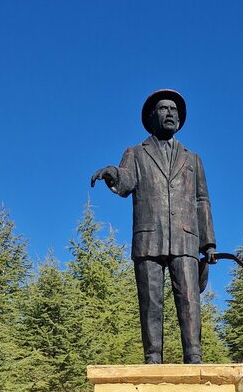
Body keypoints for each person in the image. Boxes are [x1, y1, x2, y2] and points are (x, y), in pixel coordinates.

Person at [91, 88, 216, 364]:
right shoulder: (136, 153)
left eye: (174, 110)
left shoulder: (193, 159)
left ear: (180, 119)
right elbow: (125, 181)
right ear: (151, 117)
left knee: (189, 299)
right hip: (149, 237)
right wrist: (113, 174)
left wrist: (208, 243)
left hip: (185, 238)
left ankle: (193, 356)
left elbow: (202, 200)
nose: (169, 113)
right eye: (163, 108)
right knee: (150, 301)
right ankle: (152, 357)